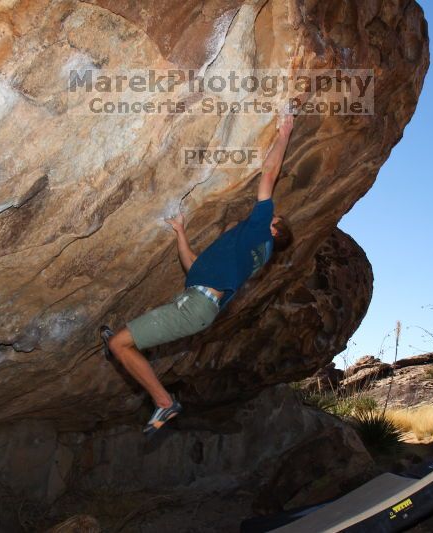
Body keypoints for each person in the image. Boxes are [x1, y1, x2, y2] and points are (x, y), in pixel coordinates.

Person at [101, 114, 295, 435]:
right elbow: (193, 267)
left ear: (275, 230)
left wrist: (284, 133)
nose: (269, 213)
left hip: (195, 308)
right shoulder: (247, 253)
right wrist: (180, 232)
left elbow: (269, 174)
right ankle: (122, 346)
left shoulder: (261, 234)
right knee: (122, 340)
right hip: (197, 303)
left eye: (275, 216)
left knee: (121, 345)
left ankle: (164, 401)